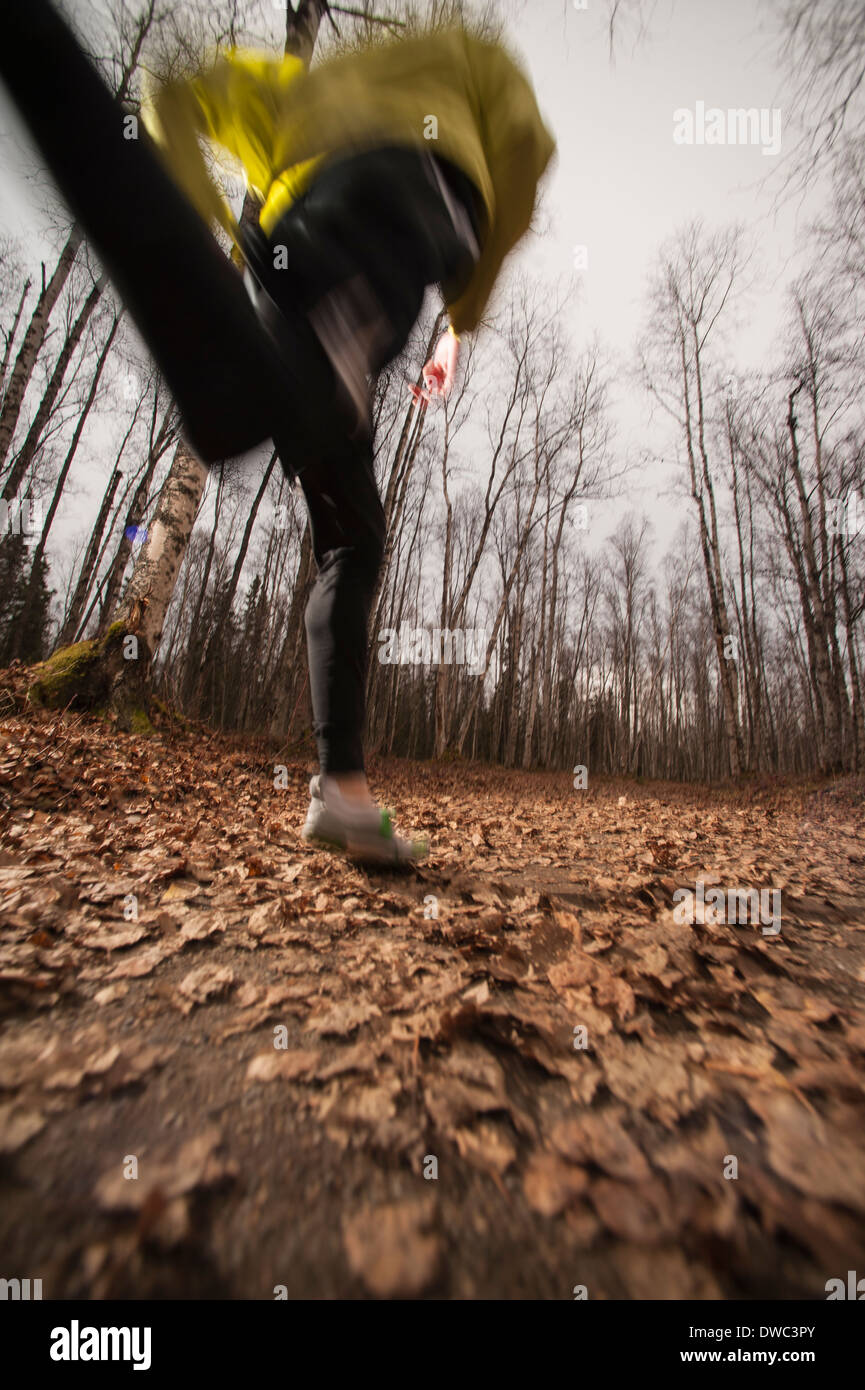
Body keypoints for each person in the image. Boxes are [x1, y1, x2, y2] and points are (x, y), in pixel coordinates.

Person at [0, 3, 555, 863]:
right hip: (381, 230)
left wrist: (217, 246)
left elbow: (170, 96)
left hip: (283, 276)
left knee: (351, 540)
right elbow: (525, 152)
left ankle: (340, 792)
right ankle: (342, 329)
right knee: (402, 225)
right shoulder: (476, 66)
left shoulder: (303, 91)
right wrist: (462, 314)